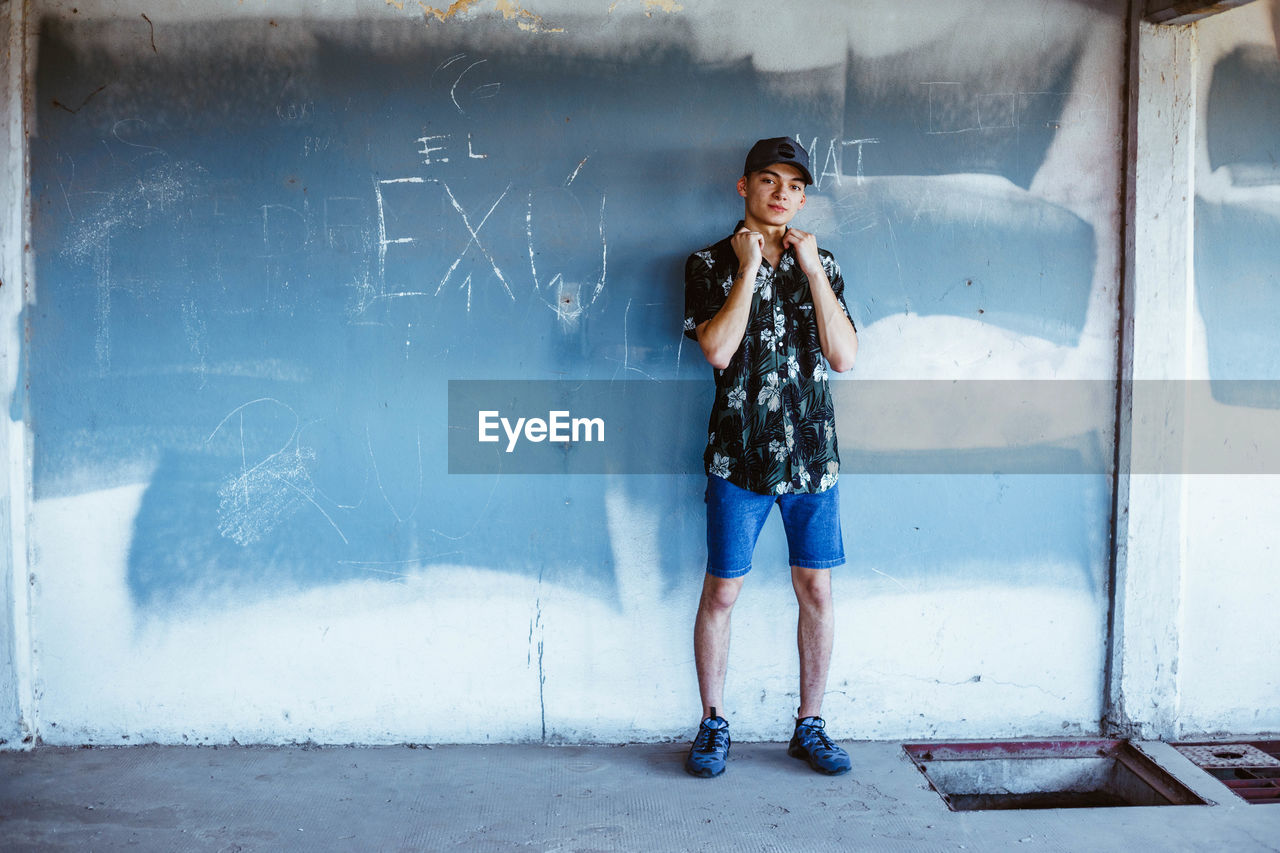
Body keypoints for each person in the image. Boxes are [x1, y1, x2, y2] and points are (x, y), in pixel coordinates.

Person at [681, 137, 859, 778]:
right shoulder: (707, 264)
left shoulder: (825, 263)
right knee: (723, 592)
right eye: (769, 181)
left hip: (813, 456)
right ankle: (712, 723)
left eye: (795, 185)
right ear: (744, 187)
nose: (783, 194)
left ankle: (809, 725)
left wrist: (811, 271)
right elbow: (718, 352)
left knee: (816, 587)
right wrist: (750, 269)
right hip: (739, 458)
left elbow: (843, 357)